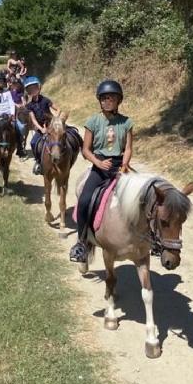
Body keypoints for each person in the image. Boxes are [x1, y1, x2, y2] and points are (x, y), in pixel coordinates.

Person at [69, 79, 133, 263]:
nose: (107, 101)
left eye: (111, 98)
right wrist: (98, 162)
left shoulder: (127, 122)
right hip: (100, 167)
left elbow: (128, 148)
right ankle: (81, 242)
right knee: (84, 200)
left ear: (118, 100)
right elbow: (85, 149)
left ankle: (149, 239)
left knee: (142, 198)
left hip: (120, 166)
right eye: (103, 98)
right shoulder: (93, 121)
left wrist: (125, 164)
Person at [23, 77, 60, 175]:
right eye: (30, 89)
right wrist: (41, 129)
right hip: (40, 128)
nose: (33, 90)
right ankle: (39, 161)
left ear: (38, 88)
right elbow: (33, 120)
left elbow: (58, 109)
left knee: (64, 135)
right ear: (28, 91)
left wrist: (55, 119)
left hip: (51, 125)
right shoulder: (29, 106)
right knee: (33, 143)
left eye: (34, 88)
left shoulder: (46, 100)